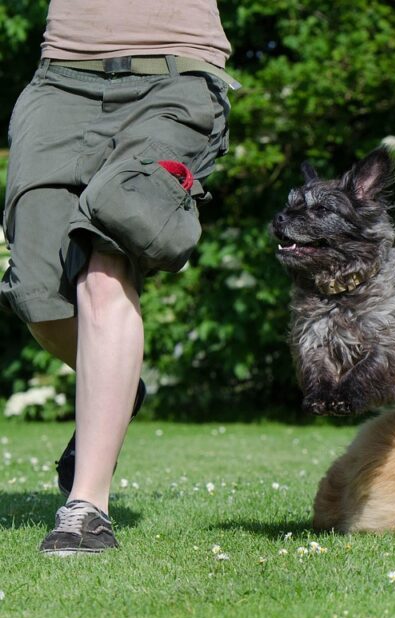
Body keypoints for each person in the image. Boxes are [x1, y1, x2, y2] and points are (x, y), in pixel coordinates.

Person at [0, 0, 239, 554]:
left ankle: (86, 510)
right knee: (37, 292)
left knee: (105, 268)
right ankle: (117, 386)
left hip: (174, 82)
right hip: (60, 84)